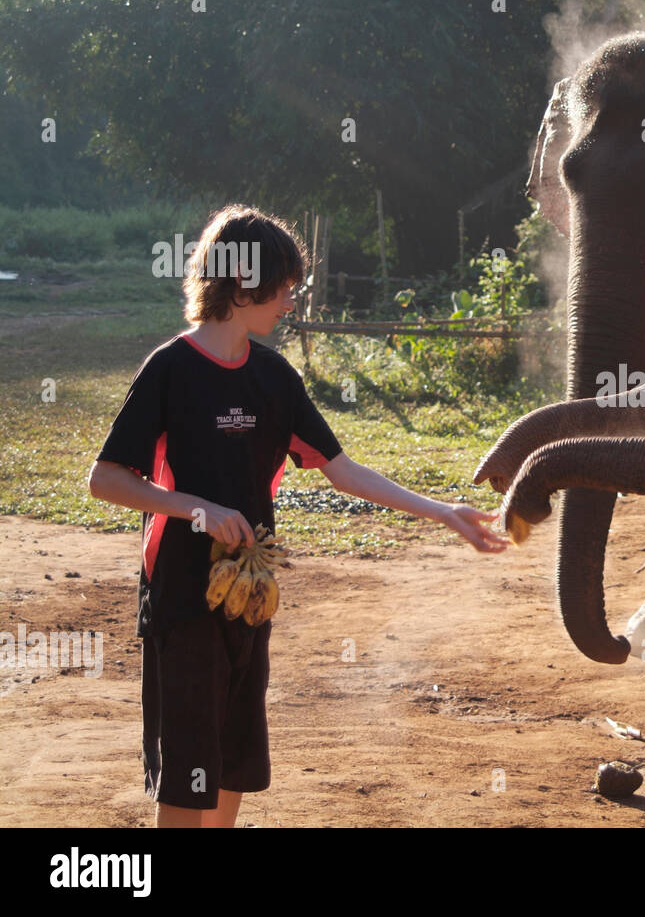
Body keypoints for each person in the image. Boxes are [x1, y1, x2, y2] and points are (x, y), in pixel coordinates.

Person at [88, 204, 508, 828]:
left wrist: (442, 511)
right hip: (181, 594)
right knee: (188, 767)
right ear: (242, 285)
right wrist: (195, 509)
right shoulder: (169, 370)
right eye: (283, 287)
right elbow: (106, 480)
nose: (290, 302)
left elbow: (342, 469)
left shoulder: (273, 378)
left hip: (247, 591)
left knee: (233, 759)